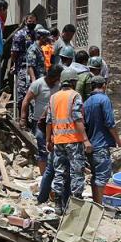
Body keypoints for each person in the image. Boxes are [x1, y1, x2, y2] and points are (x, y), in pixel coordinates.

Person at [47, 68, 90, 212]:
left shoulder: (53, 97)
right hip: (73, 140)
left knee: (59, 172)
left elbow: (49, 121)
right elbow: (77, 118)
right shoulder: (75, 96)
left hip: (58, 140)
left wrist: (49, 140)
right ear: (72, 81)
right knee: (76, 172)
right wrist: (85, 140)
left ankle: (58, 205)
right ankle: (76, 206)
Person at [21, 64, 63, 189]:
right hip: (39, 123)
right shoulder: (38, 84)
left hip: (55, 123)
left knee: (55, 149)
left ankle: (53, 175)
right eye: (54, 78)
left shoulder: (59, 86)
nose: (54, 81)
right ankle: (44, 177)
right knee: (42, 149)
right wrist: (23, 118)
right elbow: (26, 101)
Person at [82, 76, 121, 204]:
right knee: (102, 177)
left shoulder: (87, 102)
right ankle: (98, 205)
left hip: (91, 145)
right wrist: (118, 140)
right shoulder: (104, 100)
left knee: (95, 176)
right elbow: (110, 123)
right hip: (101, 145)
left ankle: (96, 203)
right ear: (104, 85)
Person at [11, 15, 41, 113]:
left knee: (34, 94)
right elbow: (14, 52)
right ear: (25, 21)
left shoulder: (37, 34)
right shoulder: (20, 34)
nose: (31, 23)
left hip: (35, 68)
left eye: (33, 21)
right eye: (29, 21)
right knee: (22, 94)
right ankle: (22, 118)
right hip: (23, 67)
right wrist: (15, 64)